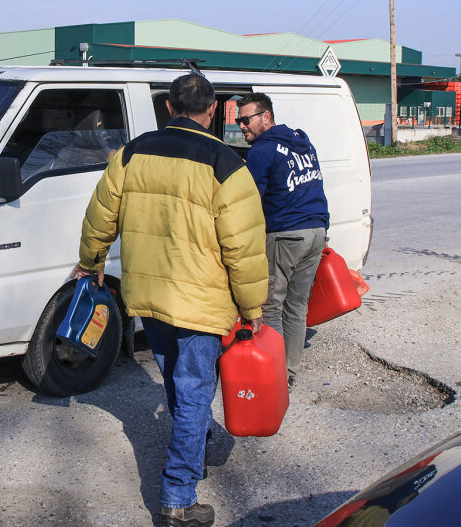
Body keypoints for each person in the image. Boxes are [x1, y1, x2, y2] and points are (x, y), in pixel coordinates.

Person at [73, 73, 268, 527]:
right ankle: (178, 497)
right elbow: (244, 246)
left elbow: (100, 215)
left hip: (150, 296)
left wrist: (90, 261)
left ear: (168, 107)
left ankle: (192, 451)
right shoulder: (226, 162)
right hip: (202, 303)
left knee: (179, 386)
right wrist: (252, 307)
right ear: (213, 110)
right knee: (194, 391)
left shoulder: (132, 154)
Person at [235, 92, 329, 385]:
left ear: (266, 117)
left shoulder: (262, 150)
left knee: (270, 306)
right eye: (238, 121)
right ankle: (289, 372)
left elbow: (251, 200)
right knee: (297, 306)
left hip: (285, 235)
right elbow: (315, 184)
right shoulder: (303, 142)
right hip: (315, 230)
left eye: (246, 120)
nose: (242, 126)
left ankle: (274, 376)